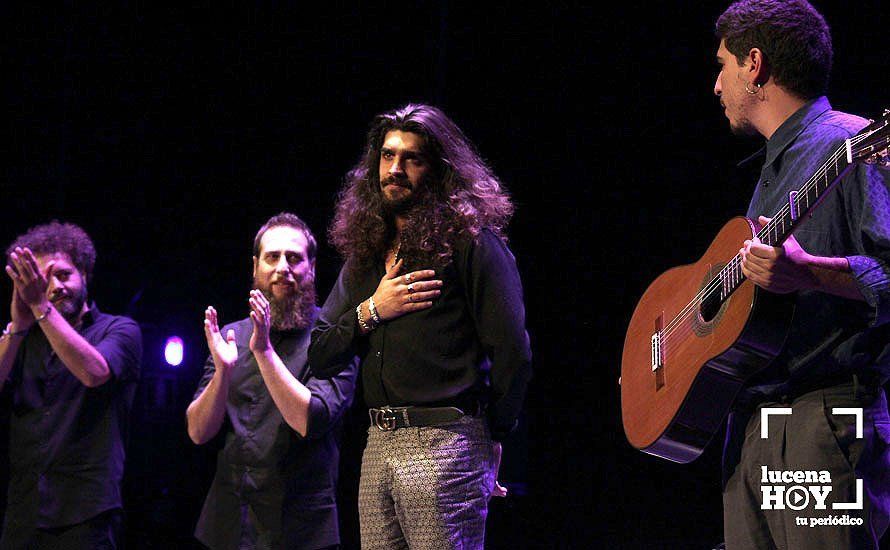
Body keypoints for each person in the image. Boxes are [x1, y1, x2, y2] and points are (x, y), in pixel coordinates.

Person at [309, 104, 532, 548]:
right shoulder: (366, 255)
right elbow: (319, 353)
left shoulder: (471, 243)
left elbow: (513, 352)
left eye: (412, 158)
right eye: (388, 156)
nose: (396, 169)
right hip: (377, 445)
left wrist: (494, 434)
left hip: (445, 442)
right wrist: (373, 308)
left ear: (439, 170)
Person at [712, 1, 890, 548]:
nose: (716, 86)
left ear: (754, 65)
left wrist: (811, 272)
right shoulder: (776, 163)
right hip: (759, 421)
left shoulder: (850, 144)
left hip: (822, 415)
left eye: (722, 66)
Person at [186, 213, 357, 550]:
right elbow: (197, 432)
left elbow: (310, 421)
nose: (283, 267)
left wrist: (263, 351)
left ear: (311, 269)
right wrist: (222, 372)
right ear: (255, 267)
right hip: (229, 523)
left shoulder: (336, 336)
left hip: (301, 529)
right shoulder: (230, 336)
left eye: (294, 258)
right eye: (272, 257)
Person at [0, 221, 142, 549]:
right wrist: (18, 328)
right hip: (23, 512)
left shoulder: (120, 329)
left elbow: (94, 372)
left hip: (86, 515)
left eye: (63, 275)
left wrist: (39, 307)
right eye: (42, 280)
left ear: (85, 276)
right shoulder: (22, 339)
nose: (54, 287)